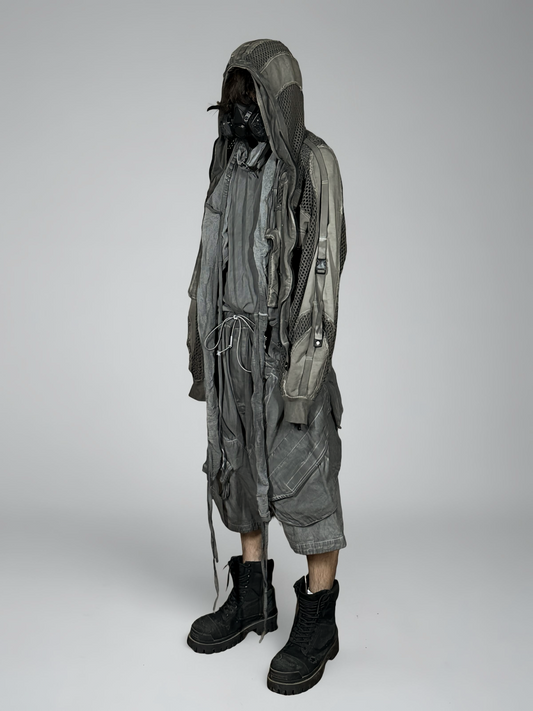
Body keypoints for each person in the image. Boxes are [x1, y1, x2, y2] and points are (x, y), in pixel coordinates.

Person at [185, 39, 348, 695]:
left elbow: (321, 273)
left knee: (304, 480)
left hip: (286, 354)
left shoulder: (312, 163)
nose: (238, 115)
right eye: (231, 101)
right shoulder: (228, 159)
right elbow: (208, 260)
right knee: (239, 471)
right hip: (232, 352)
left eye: (250, 100)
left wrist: (303, 379)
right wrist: (201, 352)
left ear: (278, 101)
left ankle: (319, 617)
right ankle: (252, 595)